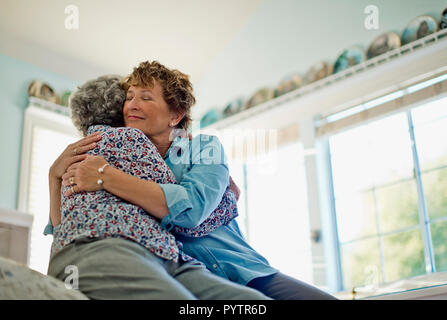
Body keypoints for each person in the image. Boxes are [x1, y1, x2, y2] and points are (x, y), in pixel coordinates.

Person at [48, 60, 335, 300]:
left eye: (146, 97)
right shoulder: (119, 153)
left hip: (243, 270)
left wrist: (106, 177)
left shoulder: (204, 147)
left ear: (175, 115)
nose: (132, 105)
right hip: (176, 273)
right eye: (129, 97)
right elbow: (69, 224)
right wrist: (54, 176)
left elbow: (191, 210)